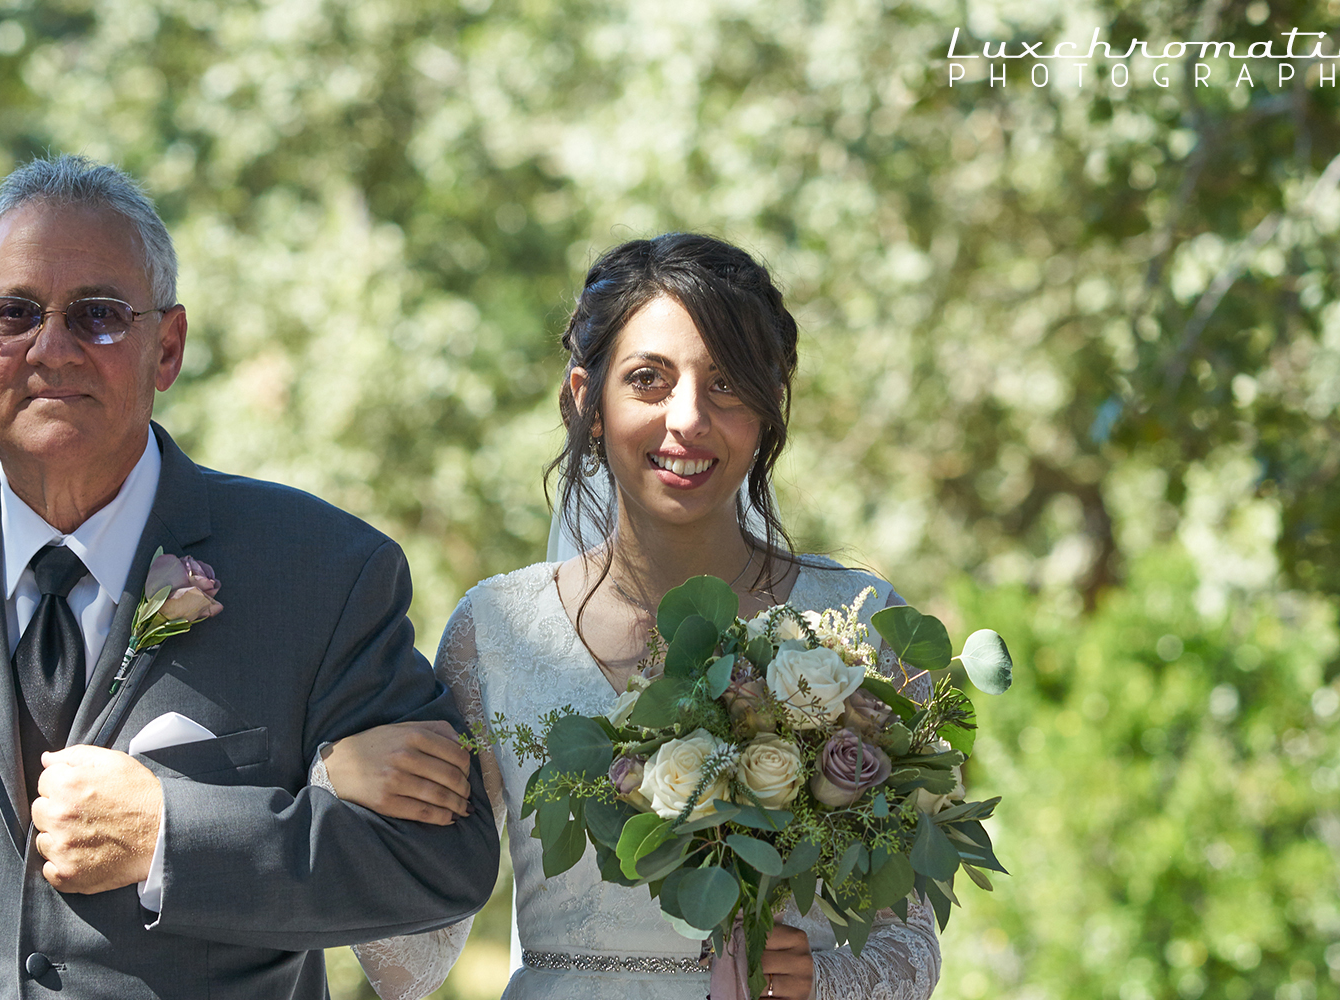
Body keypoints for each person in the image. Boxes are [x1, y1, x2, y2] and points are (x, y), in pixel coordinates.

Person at [0, 154, 500, 999]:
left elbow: (440, 863)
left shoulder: (324, 572)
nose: (53, 346)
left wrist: (171, 835)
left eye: (100, 315)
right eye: (15, 313)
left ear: (169, 347)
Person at [320, 233, 942, 999]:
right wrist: (340, 794)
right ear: (587, 397)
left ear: (769, 401)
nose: (688, 420)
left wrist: (826, 980)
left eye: (727, 385)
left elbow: (910, 941)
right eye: (649, 379)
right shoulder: (496, 632)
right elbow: (410, 966)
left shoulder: (860, 625)